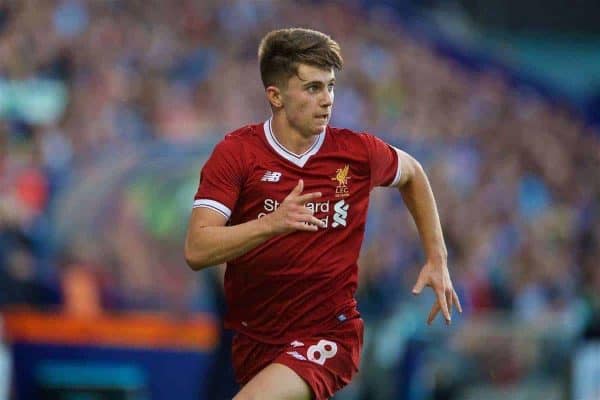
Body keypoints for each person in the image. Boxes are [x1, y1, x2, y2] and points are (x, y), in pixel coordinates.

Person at [185, 28, 461, 400]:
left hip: (328, 334)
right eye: (313, 88)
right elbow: (197, 249)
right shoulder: (237, 154)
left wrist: (436, 256)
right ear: (276, 96)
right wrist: (271, 224)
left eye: (330, 86)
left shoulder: (355, 152)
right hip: (256, 339)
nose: (327, 100)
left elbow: (412, 173)